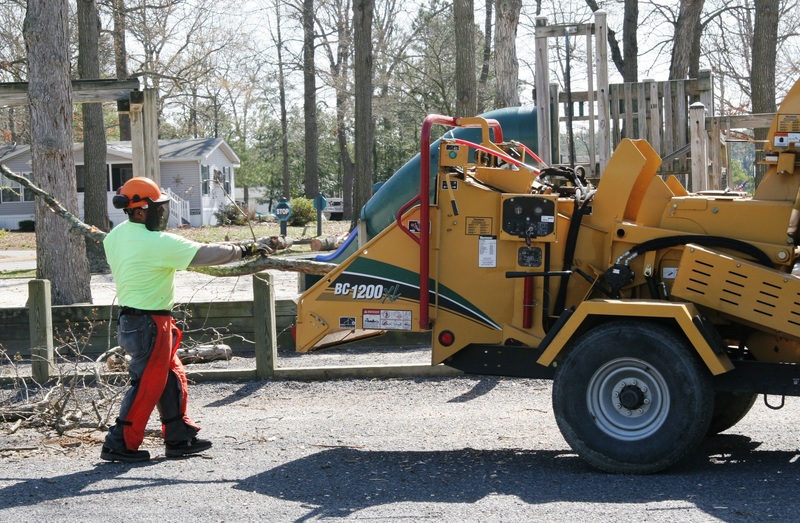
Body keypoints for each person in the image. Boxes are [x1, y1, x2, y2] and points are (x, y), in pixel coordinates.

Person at [100, 177, 267, 463]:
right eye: (158, 208)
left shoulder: (115, 236)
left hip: (135, 322)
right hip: (150, 323)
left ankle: (178, 436)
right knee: (147, 385)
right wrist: (246, 249)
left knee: (170, 377)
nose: (162, 214)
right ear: (140, 210)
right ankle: (120, 443)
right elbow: (205, 254)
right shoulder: (157, 242)